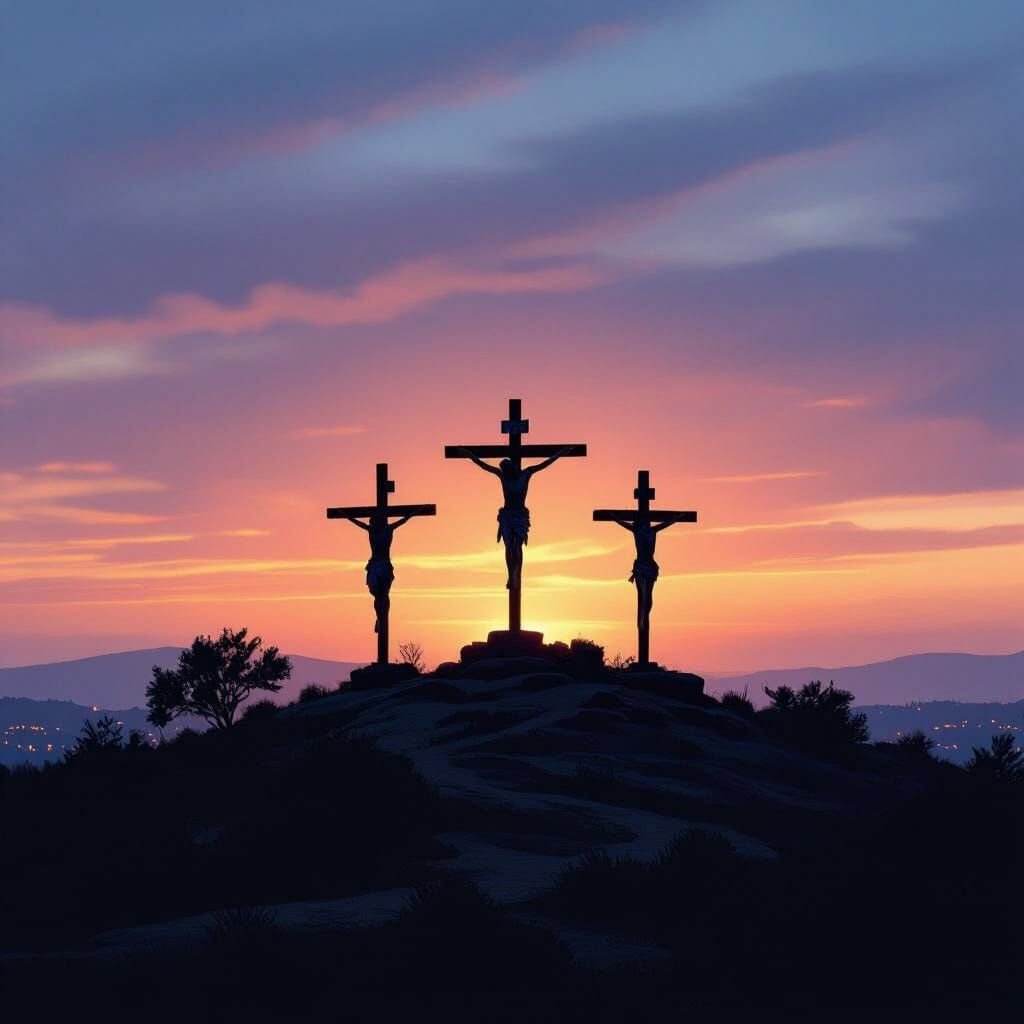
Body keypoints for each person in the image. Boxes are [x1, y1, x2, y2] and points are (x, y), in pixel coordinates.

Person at [459, 446, 573, 590]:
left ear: (513, 467)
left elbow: (546, 462)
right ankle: (510, 574)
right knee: (508, 545)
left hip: (519, 515)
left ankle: (515, 574)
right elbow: (482, 464)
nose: (506, 472)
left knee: (517, 545)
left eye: (508, 469)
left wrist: (563, 452)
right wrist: (467, 454)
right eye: (504, 470)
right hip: (506, 515)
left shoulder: (526, 474)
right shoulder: (502, 475)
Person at [611, 513, 688, 633]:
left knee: (649, 597)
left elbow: (666, 523)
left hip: (650, 567)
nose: (646, 521)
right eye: (644, 519)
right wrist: (612, 516)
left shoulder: (653, 530)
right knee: (644, 594)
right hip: (640, 567)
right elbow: (622, 523)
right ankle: (642, 620)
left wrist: (678, 518)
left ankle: (644, 617)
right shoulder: (636, 530)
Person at [343, 512, 413, 634]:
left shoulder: (386, 529)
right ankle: (380, 619)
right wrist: (346, 515)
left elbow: (403, 520)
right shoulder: (374, 530)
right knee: (379, 595)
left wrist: (414, 512)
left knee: (383, 594)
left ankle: (381, 619)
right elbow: (359, 523)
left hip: (382, 566)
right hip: (376, 566)